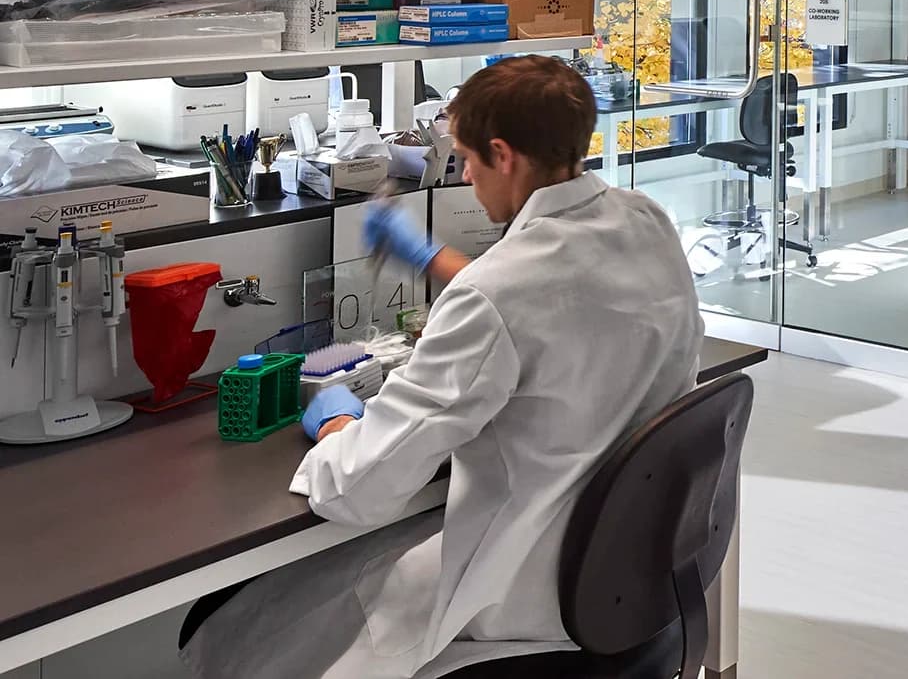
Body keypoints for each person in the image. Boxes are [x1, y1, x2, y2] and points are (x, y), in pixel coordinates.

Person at [181, 55, 703, 679]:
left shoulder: (495, 295)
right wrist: (430, 260)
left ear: (503, 155)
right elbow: (552, 291)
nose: (468, 178)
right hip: (631, 571)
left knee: (233, 633)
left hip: (523, 590)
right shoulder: (646, 221)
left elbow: (363, 489)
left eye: (467, 160)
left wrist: (338, 426)